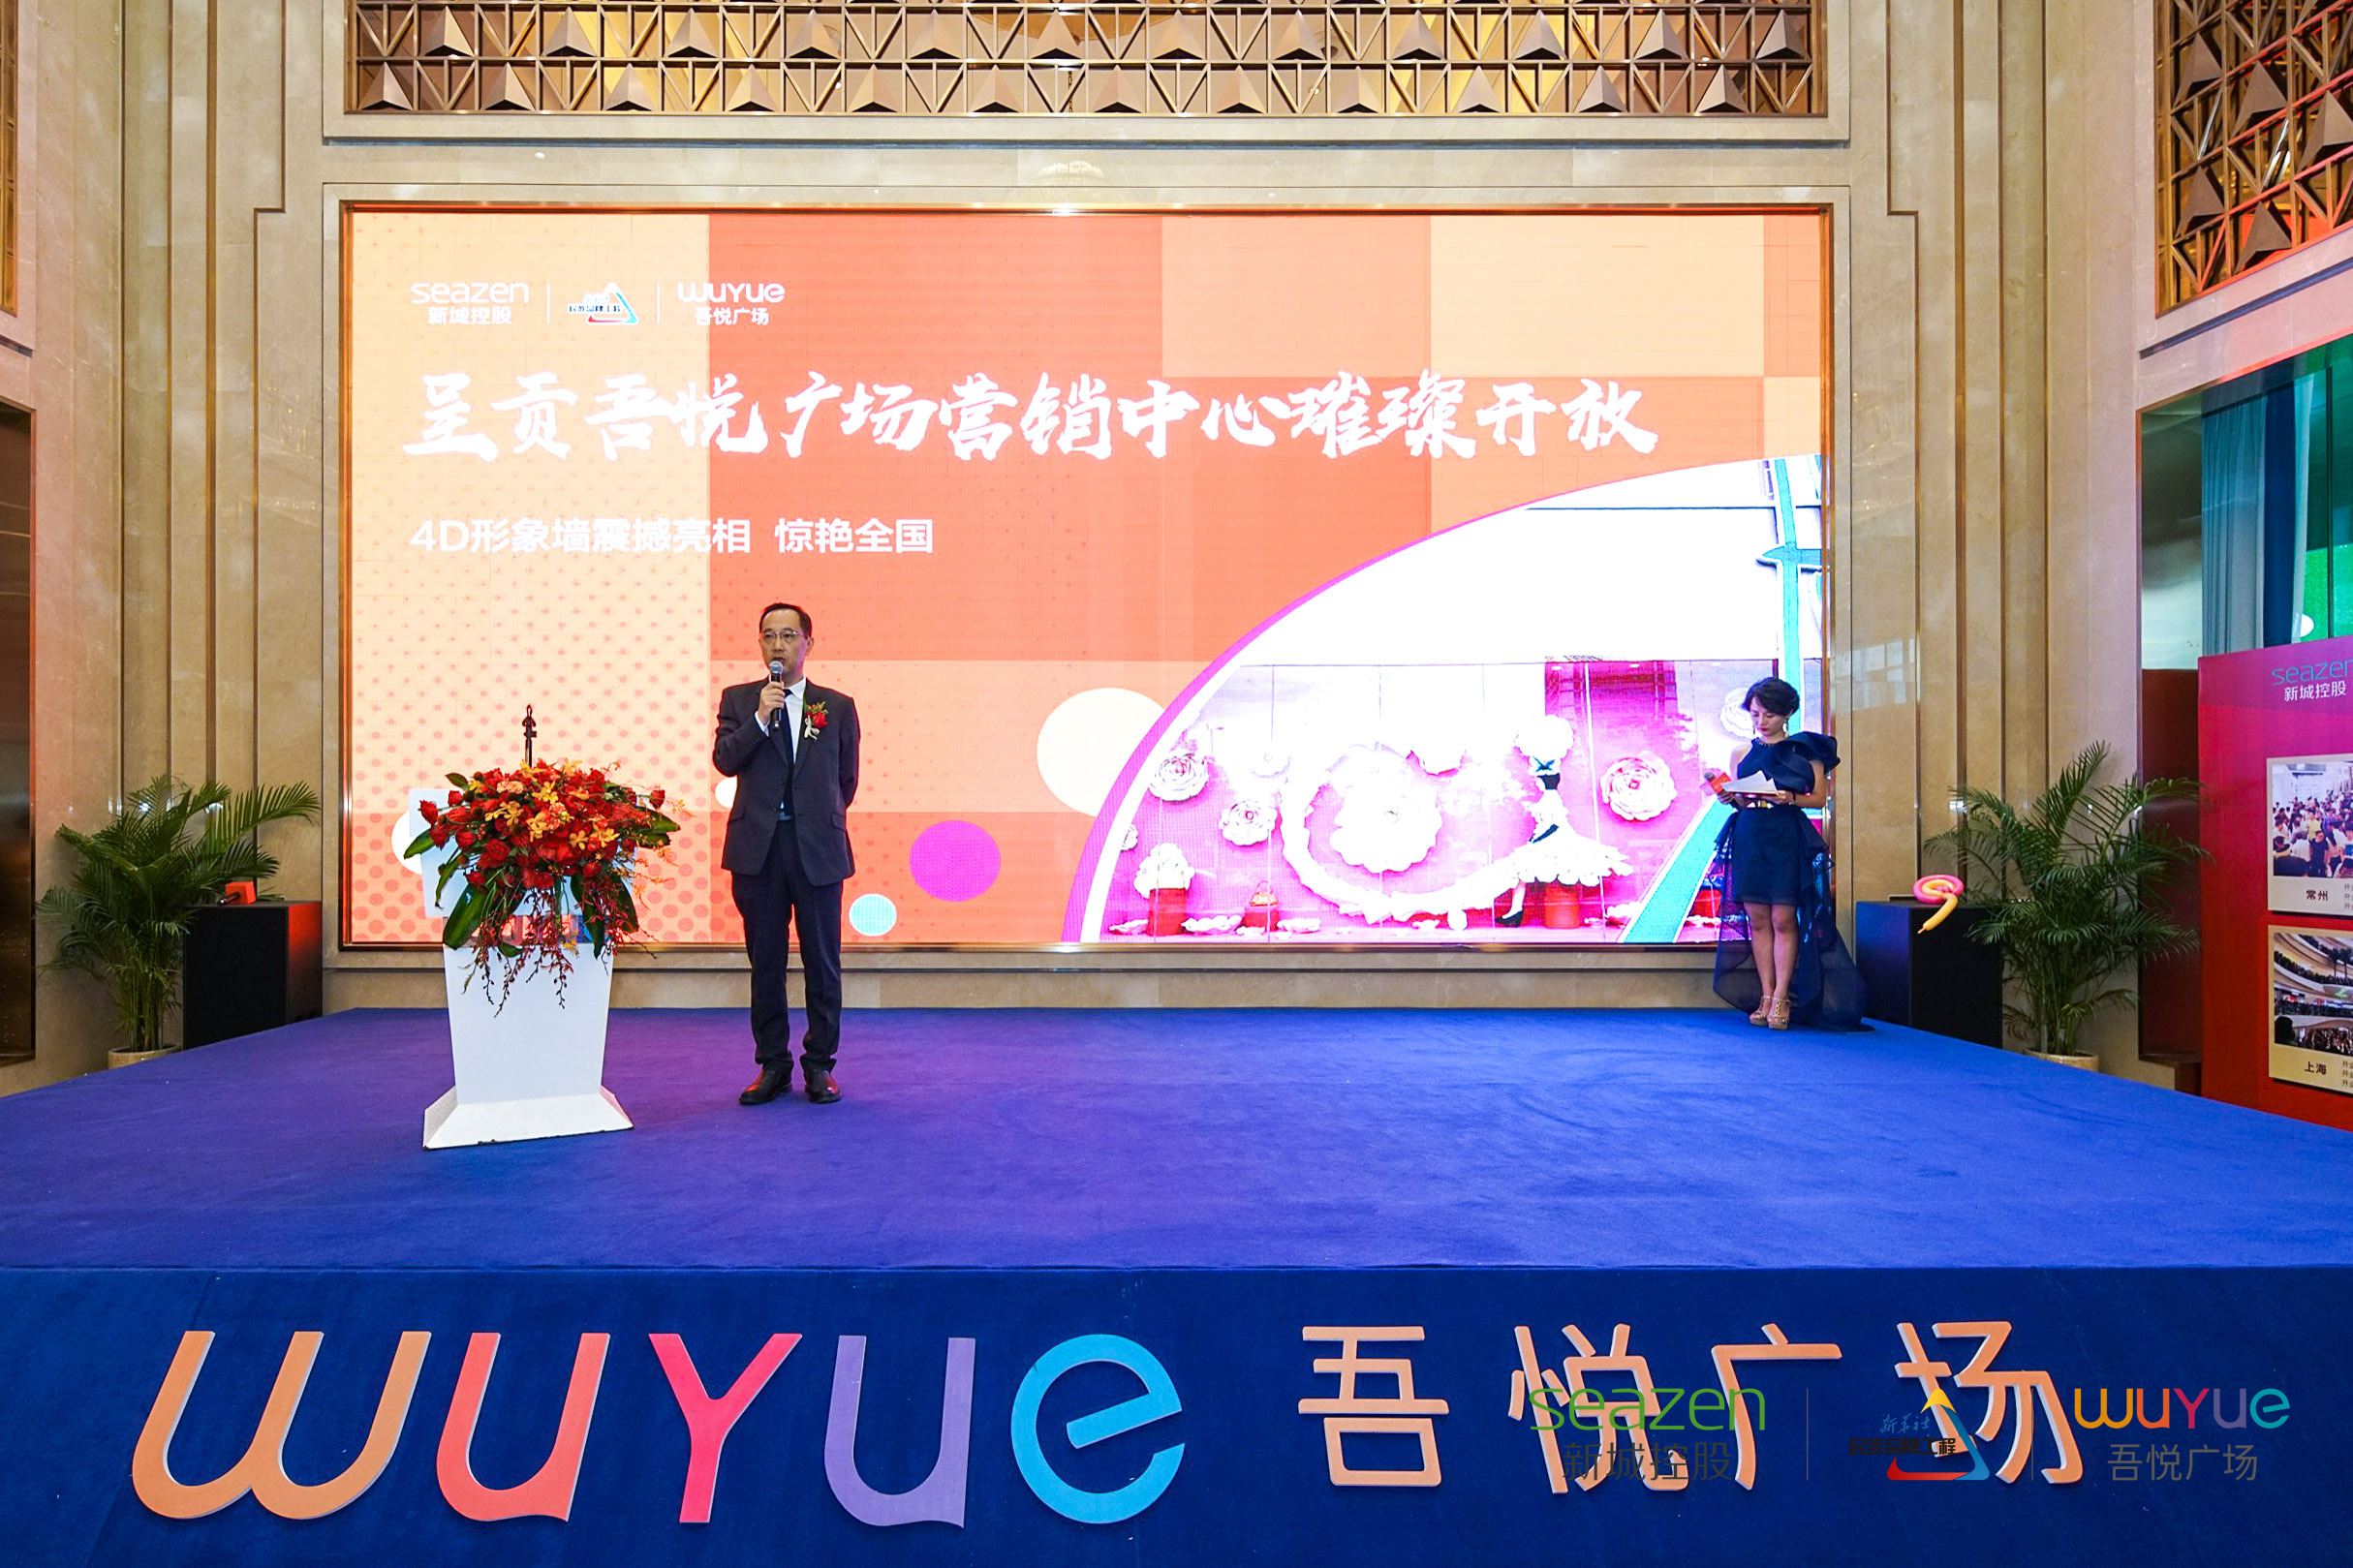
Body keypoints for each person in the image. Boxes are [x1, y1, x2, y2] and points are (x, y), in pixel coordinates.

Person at [713, 601, 861, 1105]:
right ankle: (772, 1065)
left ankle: (819, 1065)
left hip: (817, 847)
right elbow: (725, 760)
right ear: (760, 643)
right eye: (769, 635)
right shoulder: (740, 701)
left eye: (788, 635)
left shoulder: (836, 706)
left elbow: (845, 780)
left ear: (808, 643)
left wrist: (814, 817)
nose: (778, 644)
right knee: (766, 962)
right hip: (759, 851)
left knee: (822, 961)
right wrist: (760, 718)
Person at [1707, 676, 1865, 1030]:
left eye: (1770, 714)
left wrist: (1789, 797)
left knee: (1783, 918)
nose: (1761, 721)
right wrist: (1729, 797)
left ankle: (1782, 997)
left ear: (1787, 713)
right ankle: (1766, 995)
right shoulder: (1741, 753)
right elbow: (1742, 800)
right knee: (1758, 920)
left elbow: (1819, 799)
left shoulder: (1805, 750)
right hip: (1749, 833)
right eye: (1755, 714)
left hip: (1785, 835)